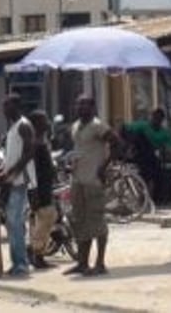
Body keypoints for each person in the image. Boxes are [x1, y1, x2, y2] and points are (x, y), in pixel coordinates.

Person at [67, 95, 118, 277]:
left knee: (97, 222)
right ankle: (82, 262)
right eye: (78, 104)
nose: (80, 107)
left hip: (93, 181)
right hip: (78, 180)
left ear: (92, 107)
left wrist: (104, 167)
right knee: (80, 222)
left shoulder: (98, 126)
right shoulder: (75, 126)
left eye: (84, 104)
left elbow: (116, 142)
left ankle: (100, 263)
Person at [0, 94, 36, 276]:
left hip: (20, 181)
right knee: (13, 224)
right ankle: (17, 263)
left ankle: (21, 264)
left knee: (15, 222)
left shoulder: (24, 125)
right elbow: (13, 155)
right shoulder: (13, 128)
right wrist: (2, 171)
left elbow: (28, 153)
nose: (4, 110)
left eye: (7, 106)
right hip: (12, 180)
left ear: (16, 107)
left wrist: (12, 172)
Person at [124, 108, 171, 203]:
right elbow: (124, 128)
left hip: (150, 156)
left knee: (158, 173)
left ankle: (153, 198)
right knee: (140, 135)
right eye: (154, 118)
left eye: (158, 119)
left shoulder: (164, 133)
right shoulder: (142, 125)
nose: (155, 121)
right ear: (151, 117)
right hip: (137, 153)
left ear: (162, 120)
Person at [27, 110, 58, 269]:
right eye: (44, 121)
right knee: (47, 217)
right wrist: (34, 190)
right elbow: (32, 169)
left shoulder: (41, 140)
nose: (47, 123)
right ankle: (36, 252)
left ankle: (36, 251)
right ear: (36, 124)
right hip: (40, 187)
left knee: (43, 219)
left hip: (45, 185)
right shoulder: (35, 144)